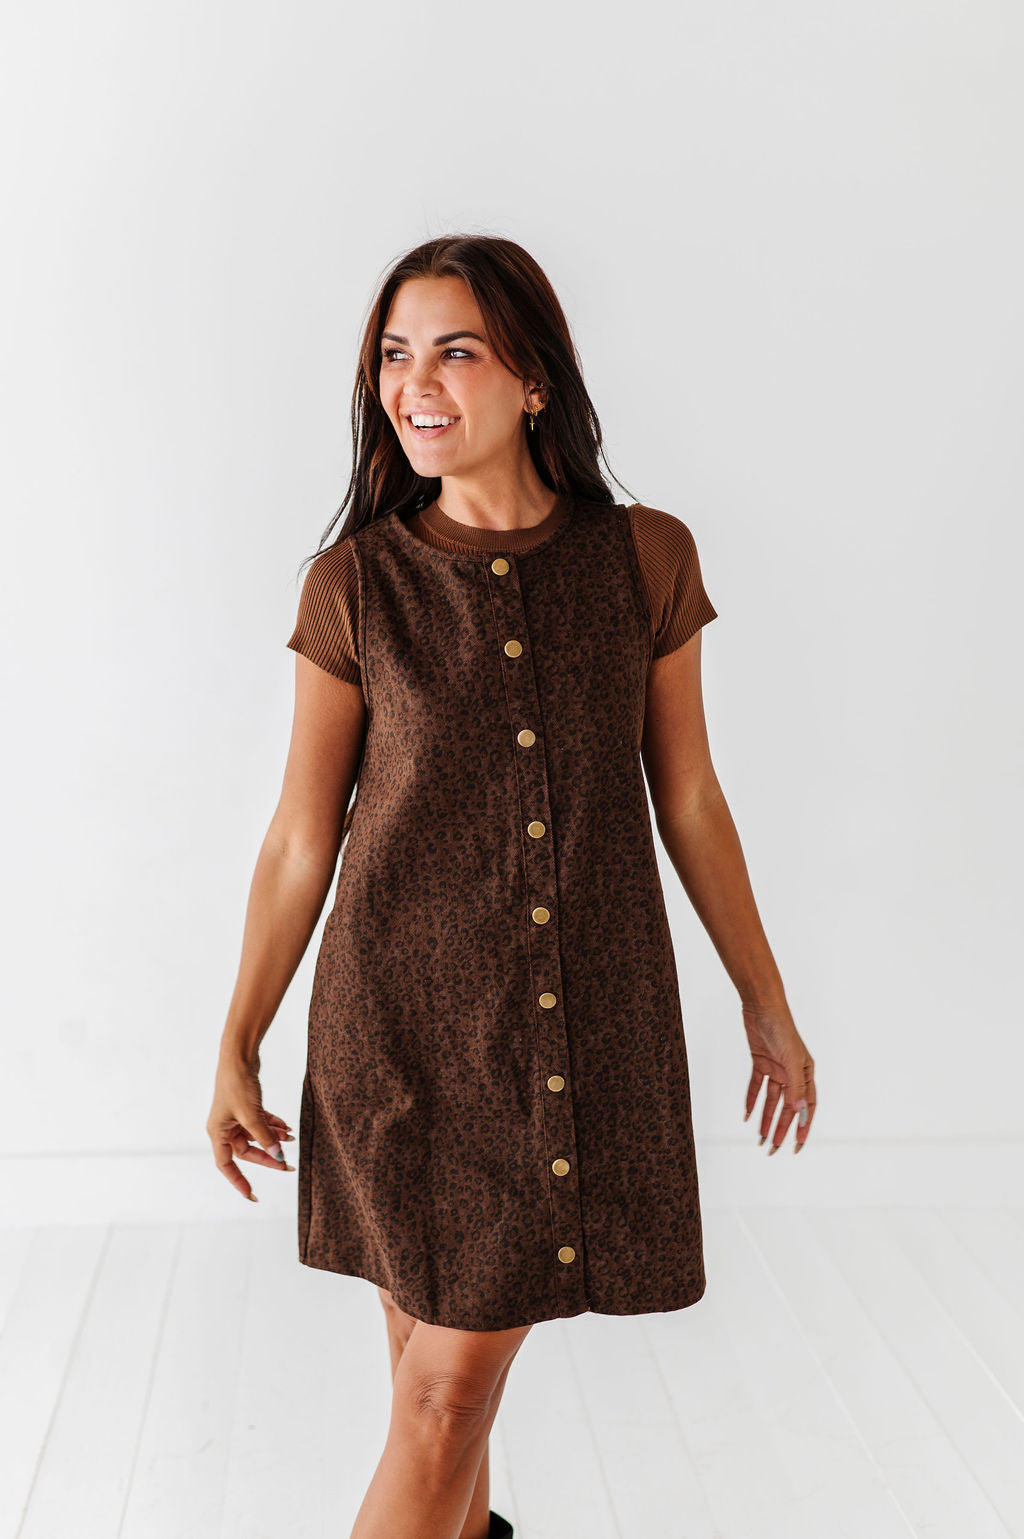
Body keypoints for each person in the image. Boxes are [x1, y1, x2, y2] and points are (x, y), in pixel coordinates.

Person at [206, 233, 816, 1539]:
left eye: (456, 352)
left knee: (442, 1398)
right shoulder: (357, 584)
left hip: (578, 1034)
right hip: (396, 1039)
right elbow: (301, 838)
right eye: (394, 356)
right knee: (435, 1400)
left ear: (535, 378)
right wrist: (238, 1039)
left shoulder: (646, 558)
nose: (415, 385)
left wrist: (764, 999)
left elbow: (691, 800)